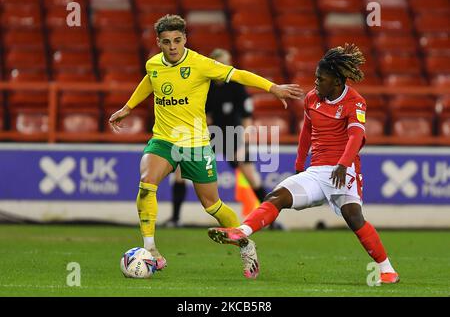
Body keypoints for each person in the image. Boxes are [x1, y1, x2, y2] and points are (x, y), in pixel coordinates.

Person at [108, 15, 303, 279]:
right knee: (146, 183)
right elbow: (149, 81)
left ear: (185, 39)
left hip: (196, 144)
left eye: (177, 40)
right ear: (159, 43)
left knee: (212, 205)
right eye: (166, 42)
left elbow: (239, 74)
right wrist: (127, 108)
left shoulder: (201, 64)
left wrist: (273, 87)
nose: (172, 47)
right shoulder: (153, 64)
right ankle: (151, 249)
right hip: (164, 139)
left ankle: (246, 244)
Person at [207, 44, 400, 284]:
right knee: (276, 196)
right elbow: (306, 133)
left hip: (344, 170)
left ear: (337, 82)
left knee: (353, 217)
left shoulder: (355, 101)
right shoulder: (312, 99)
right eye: (315, 77)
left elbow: (356, 136)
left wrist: (342, 164)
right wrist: (300, 164)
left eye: (321, 79)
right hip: (316, 172)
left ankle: (387, 269)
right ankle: (241, 232)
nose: (316, 82)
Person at [163, 48, 284, 230]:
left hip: (232, 134)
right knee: (180, 171)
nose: (224, 67)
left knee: (251, 176)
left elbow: (246, 117)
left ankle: (272, 221)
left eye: (227, 63)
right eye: (220, 63)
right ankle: (175, 218)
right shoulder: (204, 84)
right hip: (206, 134)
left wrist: (243, 143)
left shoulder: (236, 85)